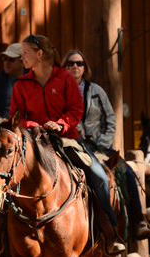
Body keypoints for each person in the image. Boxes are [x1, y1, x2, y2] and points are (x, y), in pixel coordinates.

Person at [10, 34, 124, 254]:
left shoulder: (64, 79)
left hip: (68, 140)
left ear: (39, 54)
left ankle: (110, 232)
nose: (21, 57)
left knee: (99, 177)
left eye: (25, 53)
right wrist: (36, 124)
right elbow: (15, 116)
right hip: (34, 141)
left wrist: (60, 125)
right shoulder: (21, 84)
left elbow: (76, 110)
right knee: (4, 177)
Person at [62, 48, 150, 240]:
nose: (75, 67)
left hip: (98, 146)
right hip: (71, 145)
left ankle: (138, 221)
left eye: (79, 63)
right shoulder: (59, 92)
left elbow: (110, 120)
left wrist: (102, 142)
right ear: (64, 67)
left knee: (126, 171)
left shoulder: (96, 91)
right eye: (70, 63)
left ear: (85, 68)